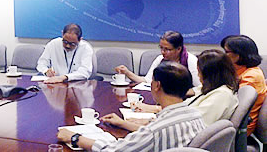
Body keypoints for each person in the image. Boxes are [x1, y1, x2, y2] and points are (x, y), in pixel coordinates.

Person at [57, 61, 206, 151]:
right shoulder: (194, 114)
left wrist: (76, 138)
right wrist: (123, 123)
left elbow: (114, 150)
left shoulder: (157, 129)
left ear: (157, 86)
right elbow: (154, 132)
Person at [133, 50, 238, 126]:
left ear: (209, 74)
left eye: (199, 72)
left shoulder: (221, 95)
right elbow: (188, 98)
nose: (198, 75)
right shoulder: (212, 88)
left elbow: (191, 122)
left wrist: (149, 121)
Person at [115, 31, 202, 86]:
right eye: (161, 48)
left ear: (179, 49)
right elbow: (147, 81)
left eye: (167, 49)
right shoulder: (160, 59)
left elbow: (198, 89)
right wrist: (127, 72)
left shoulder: (191, 61)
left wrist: (175, 93)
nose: (163, 52)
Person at [221, 35, 266, 135]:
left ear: (239, 55)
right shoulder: (239, 71)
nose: (224, 56)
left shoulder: (251, 76)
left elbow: (236, 107)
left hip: (241, 128)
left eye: (226, 52)